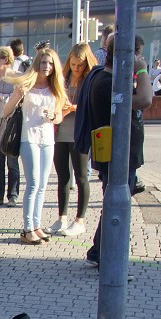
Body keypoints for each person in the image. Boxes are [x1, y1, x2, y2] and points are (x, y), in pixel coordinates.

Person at [75, 33, 154, 268]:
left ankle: (99, 251)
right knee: (116, 208)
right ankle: (108, 259)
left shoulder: (104, 77)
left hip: (119, 153)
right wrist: (140, 70)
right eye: (137, 55)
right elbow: (145, 99)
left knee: (114, 204)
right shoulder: (107, 82)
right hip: (116, 155)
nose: (140, 59)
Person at [4, 47, 65, 245]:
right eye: (43, 62)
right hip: (28, 137)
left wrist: (54, 116)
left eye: (50, 63)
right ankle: (27, 228)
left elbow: (59, 115)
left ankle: (37, 225)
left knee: (43, 185)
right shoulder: (26, 85)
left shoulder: (55, 87)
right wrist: (17, 95)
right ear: (37, 63)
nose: (46, 67)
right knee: (33, 183)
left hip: (47, 139)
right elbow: (6, 111)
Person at [51, 43, 97, 238]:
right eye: (74, 64)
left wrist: (75, 107)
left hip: (79, 132)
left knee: (81, 177)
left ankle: (80, 220)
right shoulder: (63, 78)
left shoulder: (90, 79)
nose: (76, 68)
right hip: (60, 132)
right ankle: (61, 217)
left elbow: (93, 105)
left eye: (80, 65)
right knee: (62, 177)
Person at [0, 47, 21, 208]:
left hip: (11, 126)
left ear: (6, 60)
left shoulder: (16, 78)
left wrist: (1, 96)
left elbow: (19, 99)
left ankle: (12, 195)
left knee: (12, 163)